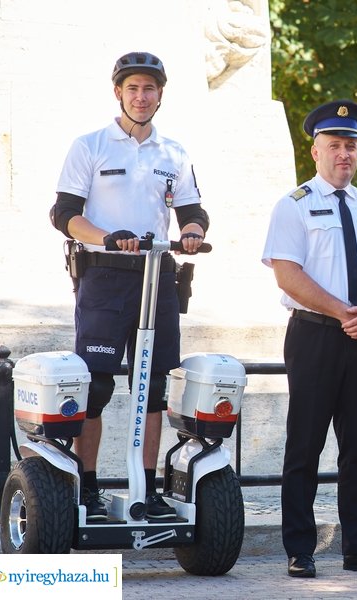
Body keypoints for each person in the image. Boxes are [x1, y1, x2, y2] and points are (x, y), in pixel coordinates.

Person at [49, 51, 208, 521]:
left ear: (160, 95)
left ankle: (147, 489)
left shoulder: (173, 154)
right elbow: (64, 214)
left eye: (149, 89)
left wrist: (193, 232)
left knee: (154, 385)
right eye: (133, 88)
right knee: (96, 385)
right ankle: (87, 488)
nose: (142, 97)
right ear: (118, 92)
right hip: (104, 275)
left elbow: (192, 211)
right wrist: (106, 237)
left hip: (157, 275)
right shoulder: (91, 145)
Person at [262, 99, 357, 578]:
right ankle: (300, 549)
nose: (344, 154)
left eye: (351, 145)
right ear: (316, 151)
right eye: (335, 145)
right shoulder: (294, 206)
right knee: (304, 447)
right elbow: (287, 273)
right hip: (315, 335)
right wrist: (340, 310)